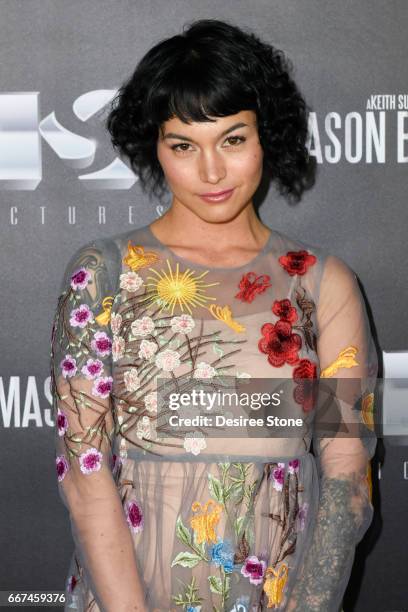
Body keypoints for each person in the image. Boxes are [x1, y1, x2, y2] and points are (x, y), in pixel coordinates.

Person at [50, 19, 378, 612]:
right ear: (154, 145)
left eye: (232, 139)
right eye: (183, 145)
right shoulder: (102, 274)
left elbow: (346, 476)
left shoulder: (321, 283)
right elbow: (85, 472)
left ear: (265, 136)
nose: (211, 173)